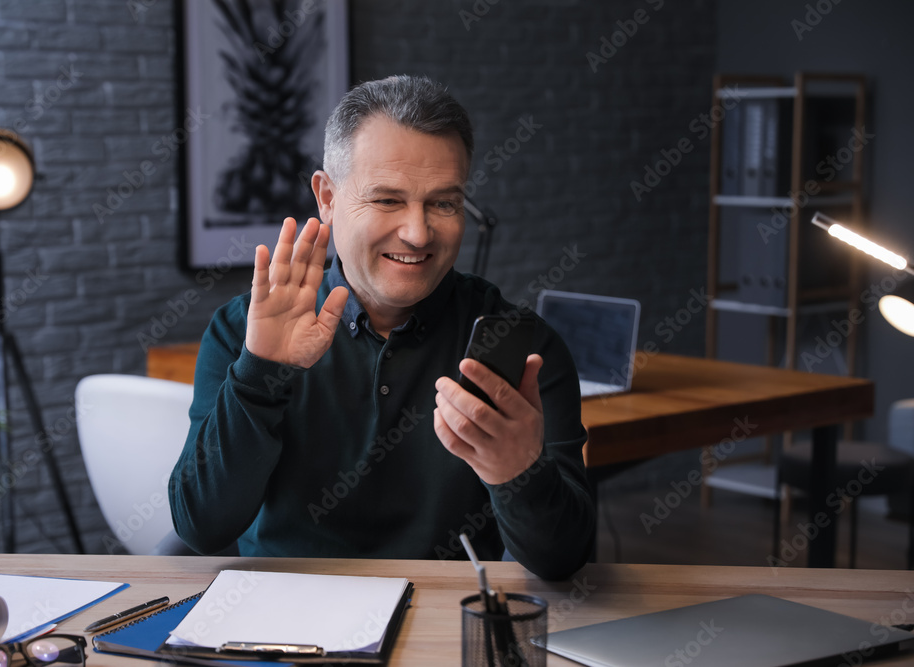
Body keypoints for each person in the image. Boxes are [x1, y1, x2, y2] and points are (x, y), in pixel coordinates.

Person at [168, 75, 595, 580]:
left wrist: (518, 472)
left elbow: (564, 561)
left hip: (446, 629)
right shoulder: (242, 330)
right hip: (282, 624)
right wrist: (261, 372)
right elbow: (200, 527)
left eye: (443, 203)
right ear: (327, 197)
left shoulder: (523, 348)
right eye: (388, 200)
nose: (417, 233)